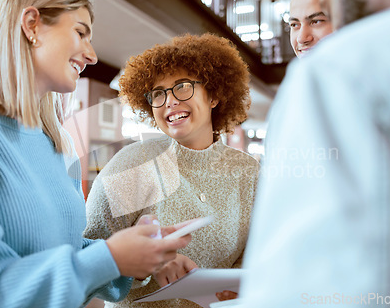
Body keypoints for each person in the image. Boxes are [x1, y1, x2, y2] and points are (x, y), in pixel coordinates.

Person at [0, 0, 192, 307]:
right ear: (32, 25)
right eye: (81, 32)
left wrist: (133, 259)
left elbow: (62, 252)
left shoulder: (54, 142)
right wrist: (109, 258)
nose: (92, 55)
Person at [240, 0, 390, 307]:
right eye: (293, 24)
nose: (302, 38)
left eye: (317, 20)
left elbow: (323, 282)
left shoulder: (339, 77)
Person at [83, 33, 260, 308]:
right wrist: (143, 264)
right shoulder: (133, 164)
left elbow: (256, 257)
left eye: (182, 87)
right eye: (158, 93)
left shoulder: (248, 171)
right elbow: (88, 258)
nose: (169, 101)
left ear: (214, 95)